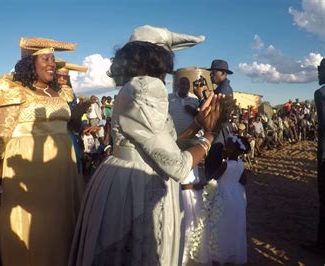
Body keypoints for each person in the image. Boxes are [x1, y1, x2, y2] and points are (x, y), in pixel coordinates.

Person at [69, 25, 231, 265]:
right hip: (138, 183)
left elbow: (163, 144)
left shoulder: (131, 86)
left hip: (117, 176)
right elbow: (176, 165)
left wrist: (197, 124)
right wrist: (211, 133)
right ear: (158, 58)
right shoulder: (148, 88)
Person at [0, 37, 85, 265]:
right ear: (30, 63)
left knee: (62, 227)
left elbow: (71, 126)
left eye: (53, 59)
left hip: (64, 173)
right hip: (29, 173)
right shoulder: (17, 92)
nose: (52, 64)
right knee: (39, 231)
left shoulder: (58, 93)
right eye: (46, 58)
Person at [168, 76, 208, 265]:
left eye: (187, 84)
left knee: (191, 174)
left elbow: (204, 118)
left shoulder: (194, 100)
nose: (184, 86)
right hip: (174, 143)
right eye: (182, 84)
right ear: (177, 86)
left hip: (192, 142)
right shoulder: (169, 99)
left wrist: (194, 111)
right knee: (174, 174)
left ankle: (190, 202)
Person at [211, 135, 250, 265]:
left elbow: (213, 179)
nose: (224, 148)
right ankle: (232, 253)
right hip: (237, 198)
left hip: (224, 198)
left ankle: (220, 255)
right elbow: (244, 181)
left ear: (233, 150)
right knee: (234, 227)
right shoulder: (240, 164)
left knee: (222, 227)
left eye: (227, 146)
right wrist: (234, 179)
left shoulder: (225, 165)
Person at [204, 59, 234, 181]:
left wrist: (202, 99)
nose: (210, 75)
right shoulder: (222, 88)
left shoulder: (223, 90)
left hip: (218, 131)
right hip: (220, 130)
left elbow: (212, 112)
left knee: (212, 166)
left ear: (222, 73)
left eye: (213, 72)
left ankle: (212, 195)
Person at [312, 58, 325, 253]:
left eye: (320, 69)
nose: (318, 72)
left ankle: (321, 245)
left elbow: (323, 125)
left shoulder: (320, 93)